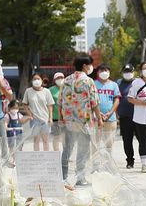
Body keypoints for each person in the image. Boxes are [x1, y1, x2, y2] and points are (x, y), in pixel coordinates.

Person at [58, 54, 103, 185]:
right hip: (84, 121)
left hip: (69, 121)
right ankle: (80, 177)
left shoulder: (66, 80)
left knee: (67, 149)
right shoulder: (88, 81)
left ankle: (63, 177)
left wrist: (61, 118)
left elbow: (60, 101)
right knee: (83, 150)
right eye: (90, 65)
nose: (91, 67)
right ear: (84, 66)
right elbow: (94, 102)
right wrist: (99, 118)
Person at [22, 73, 54, 151]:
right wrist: (29, 113)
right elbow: (24, 104)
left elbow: (50, 105)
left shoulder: (47, 91)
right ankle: (37, 157)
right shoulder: (28, 91)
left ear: (42, 80)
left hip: (45, 119)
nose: (36, 81)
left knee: (45, 140)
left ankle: (46, 157)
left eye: (38, 79)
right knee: (36, 140)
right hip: (34, 119)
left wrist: (50, 118)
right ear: (32, 81)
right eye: (34, 79)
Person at [94, 64, 121, 152]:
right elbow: (91, 101)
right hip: (96, 118)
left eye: (106, 70)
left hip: (111, 118)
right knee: (95, 144)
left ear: (109, 72)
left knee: (109, 144)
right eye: (101, 70)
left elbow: (117, 100)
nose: (104, 72)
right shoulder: (93, 84)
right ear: (97, 72)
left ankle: (108, 162)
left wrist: (110, 113)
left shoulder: (114, 85)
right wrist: (99, 114)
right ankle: (96, 164)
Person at [117, 64, 137, 168]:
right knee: (127, 140)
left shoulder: (138, 82)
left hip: (138, 116)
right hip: (124, 116)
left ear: (134, 72)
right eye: (125, 71)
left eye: (129, 71)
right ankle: (130, 160)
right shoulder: (119, 83)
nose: (128, 73)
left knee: (142, 139)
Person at [49, 72, 65, 151]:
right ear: (54, 80)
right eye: (58, 78)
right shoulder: (51, 90)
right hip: (55, 117)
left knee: (65, 137)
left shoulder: (67, 88)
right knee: (56, 136)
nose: (60, 80)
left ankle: (66, 155)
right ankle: (56, 153)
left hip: (66, 117)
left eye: (62, 77)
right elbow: (48, 104)